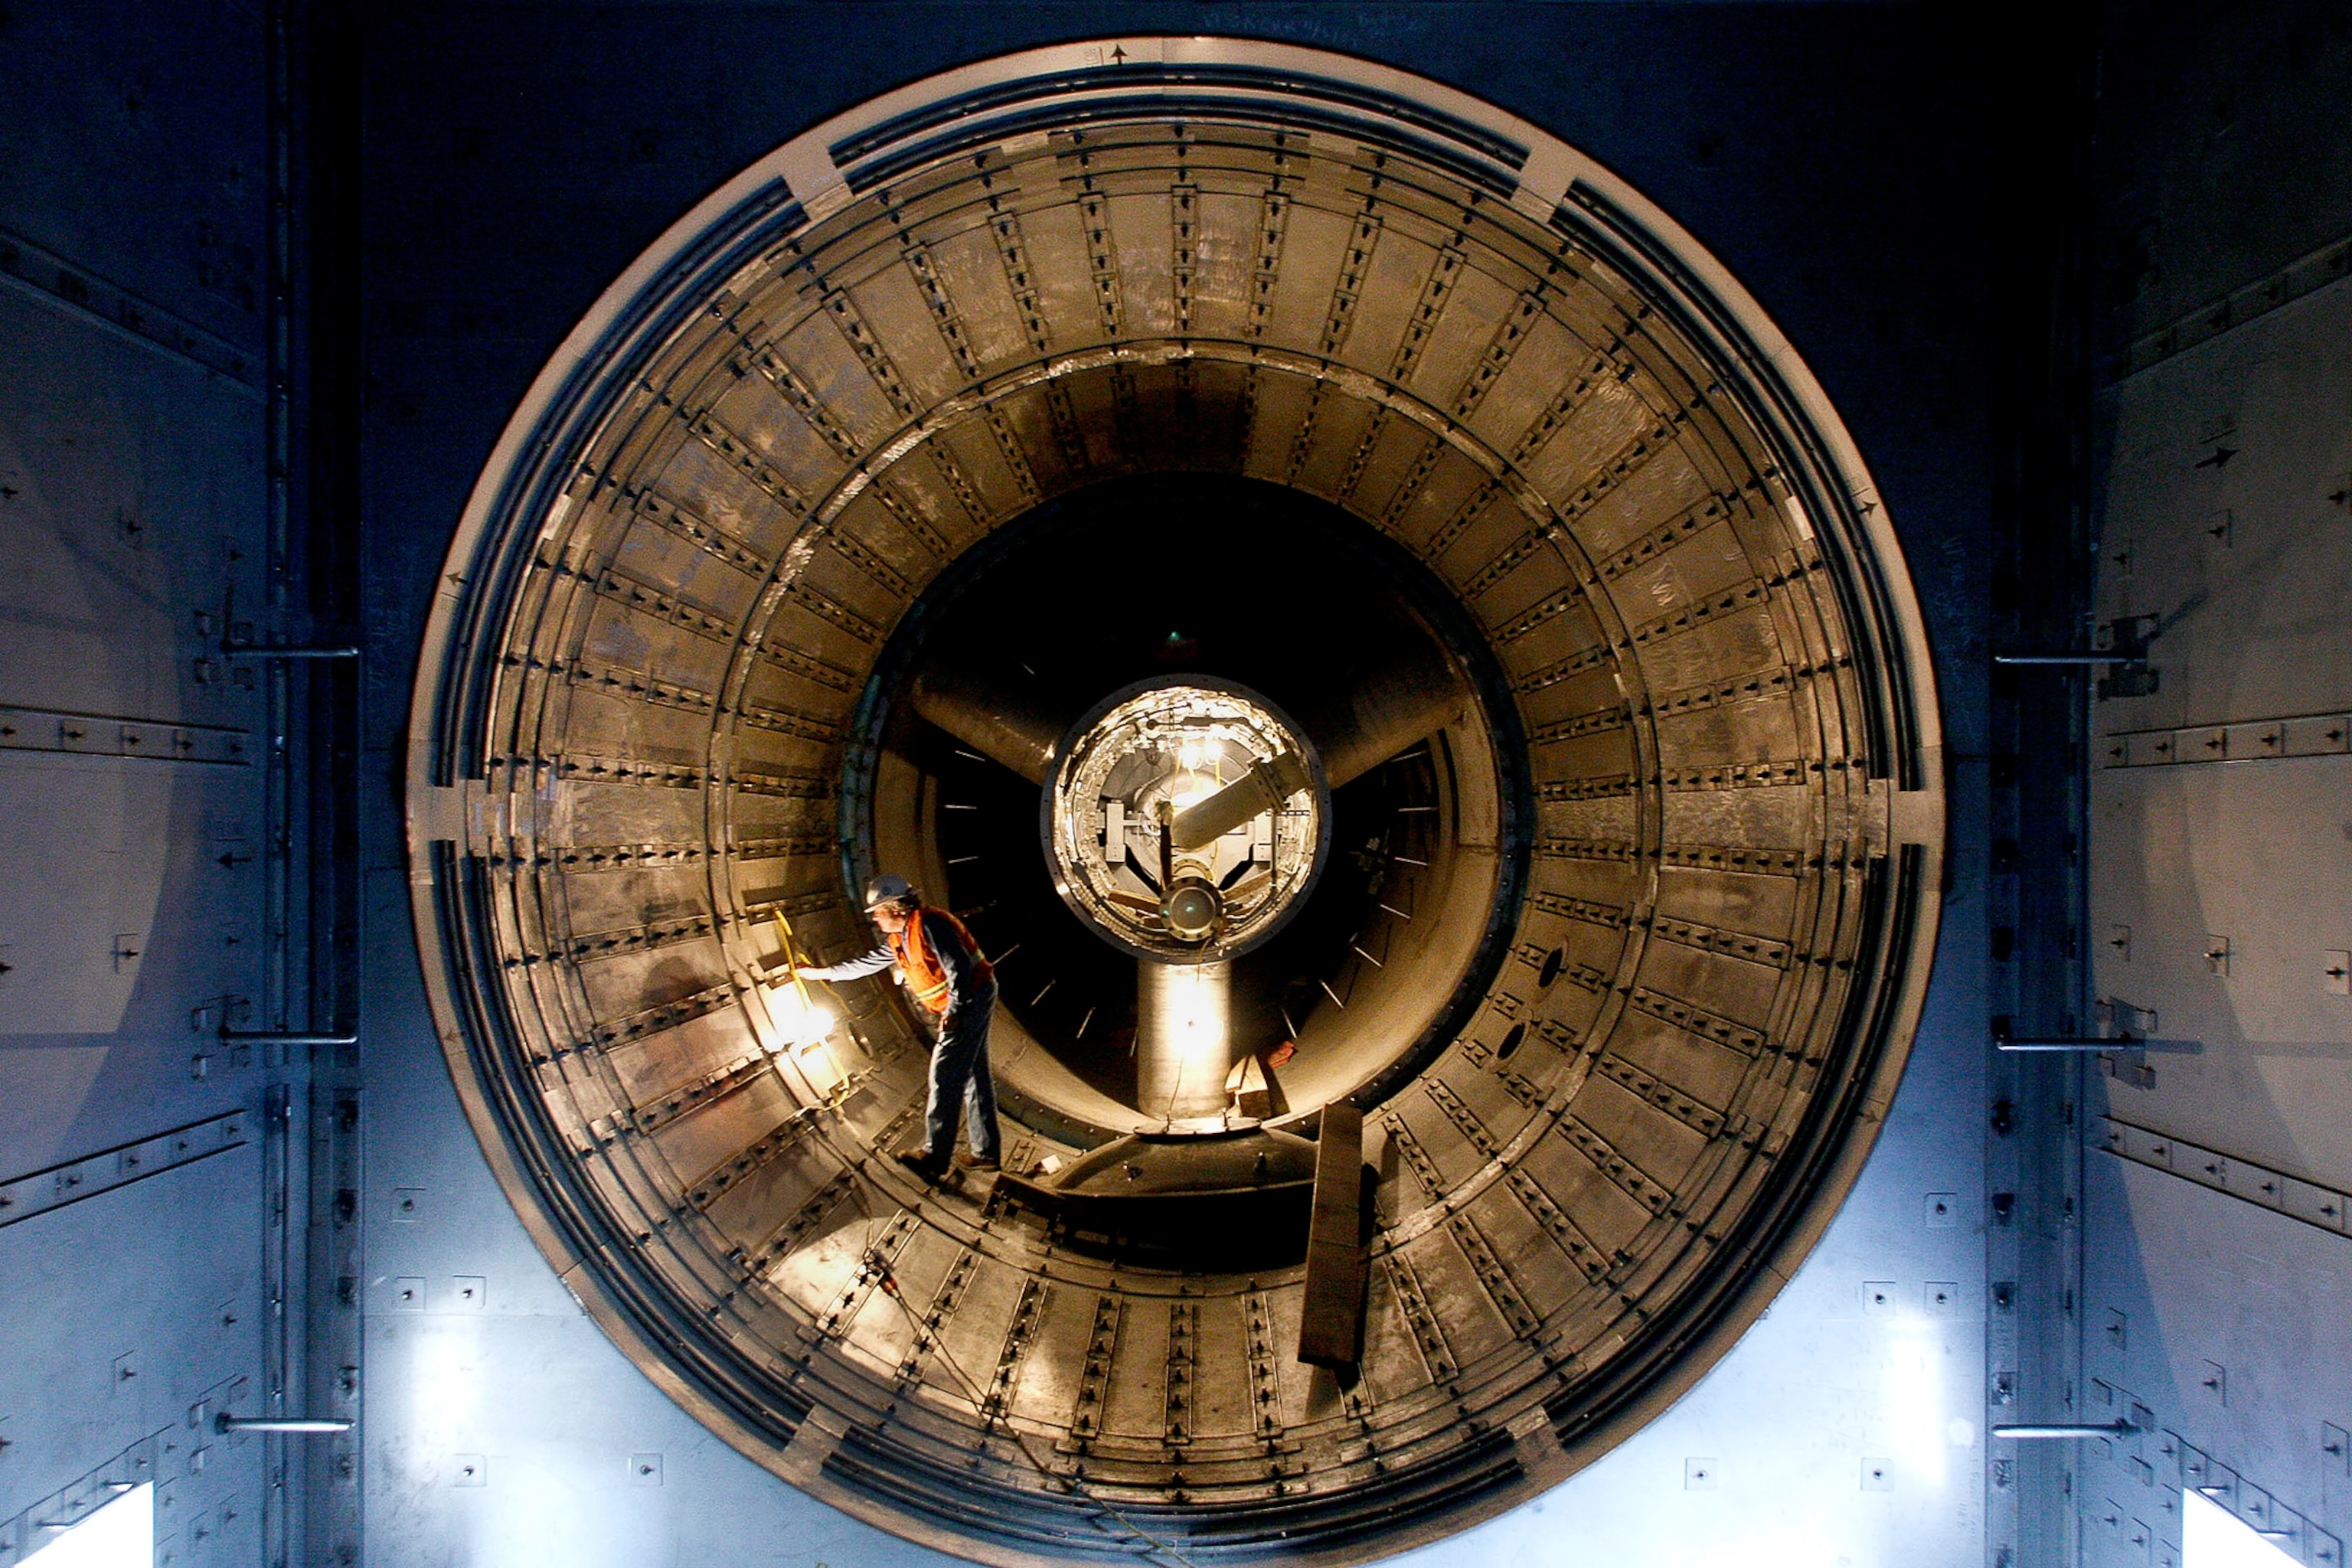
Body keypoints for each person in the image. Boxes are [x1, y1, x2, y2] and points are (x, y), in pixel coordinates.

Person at [796, 874, 1001, 1179]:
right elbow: (868, 964)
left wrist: (955, 1011)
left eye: (878, 912)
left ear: (895, 908)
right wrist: (823, 973)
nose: (875, 920)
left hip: (970, 998)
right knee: (973, 1074)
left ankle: (935, 1157)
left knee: (944, 1075)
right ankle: (985, 1154)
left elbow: (958, 967)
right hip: (972, 997)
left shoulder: (931, 925)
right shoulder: (900, 937)